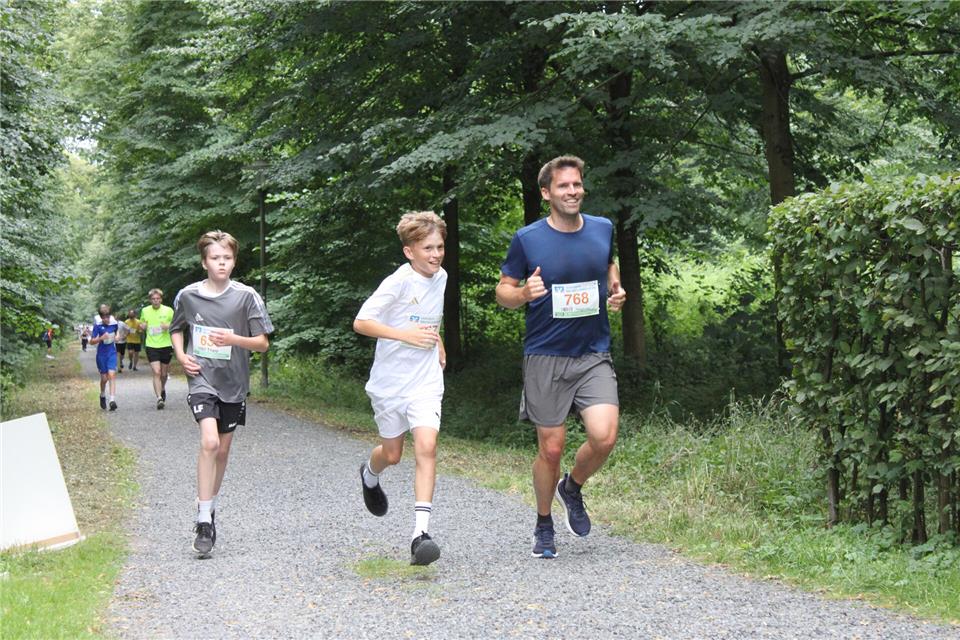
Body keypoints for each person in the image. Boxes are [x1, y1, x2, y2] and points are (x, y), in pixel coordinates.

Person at [495, 155, 627, 559]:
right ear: (546, 193)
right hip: (545, 355)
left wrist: (616, 289)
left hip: (592, 353)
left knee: (604, 436)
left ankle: (571, 487)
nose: (572, 191)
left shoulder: (603, 228)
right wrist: (522, 295)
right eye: (564, 186)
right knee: (550, 449)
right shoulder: (528, 238)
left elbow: (608, 265)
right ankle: (544, 523)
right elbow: (503, 291)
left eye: (577, 184)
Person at [353, 211, 448, 566]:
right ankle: (369, 473)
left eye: (439, 247)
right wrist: (404, 335)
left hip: (425, 381)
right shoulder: (398, 282)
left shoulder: (441, 277)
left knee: (427, 445)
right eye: (428, 248)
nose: (436, 255)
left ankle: (420, 535)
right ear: (410, 252)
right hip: (390, 384)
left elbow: (430, 316)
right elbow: (361, 322)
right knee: (393, 454)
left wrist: (437, 341)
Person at [171, 230, 272, 559]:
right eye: (215, 258)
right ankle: (203, 522)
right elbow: (176, 328)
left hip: (234, 383)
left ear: (234, 260)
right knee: (210, 442)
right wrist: (181, 355)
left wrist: (233, 340)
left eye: (227, 258)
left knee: (223, 451)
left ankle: (208, 506)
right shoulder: (188, 295)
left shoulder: (246, 297)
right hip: (202, 378)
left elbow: (262, 343)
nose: (222, 263)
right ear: (204, 262)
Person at [140, 288, 174, 409]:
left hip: (166, 344)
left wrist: (168, 326)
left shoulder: (168, 310)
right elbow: (142, 324)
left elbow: (176, 324)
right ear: (150, 300)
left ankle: (162, 388)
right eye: (153, 299)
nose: (156, 301)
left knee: (164, 374)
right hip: (151, 345)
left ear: (161, 299)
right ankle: (159, 398)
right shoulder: (145, 310)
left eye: (158, 299)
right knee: (157, 372)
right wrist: (142, 326)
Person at [88, 305, 119, 411]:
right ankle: (102, 395)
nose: (106, 319)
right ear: (101, 317)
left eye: (108, 317)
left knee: (112, 375)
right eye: (104, 317)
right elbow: (91, 342)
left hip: (112, 353)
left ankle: (112, 400)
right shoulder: (97, 326)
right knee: (104, 378)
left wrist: (118, 337)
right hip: (101, 355)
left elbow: (117, 333)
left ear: (110, 316)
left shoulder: (114, 324)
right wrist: (101, 338)